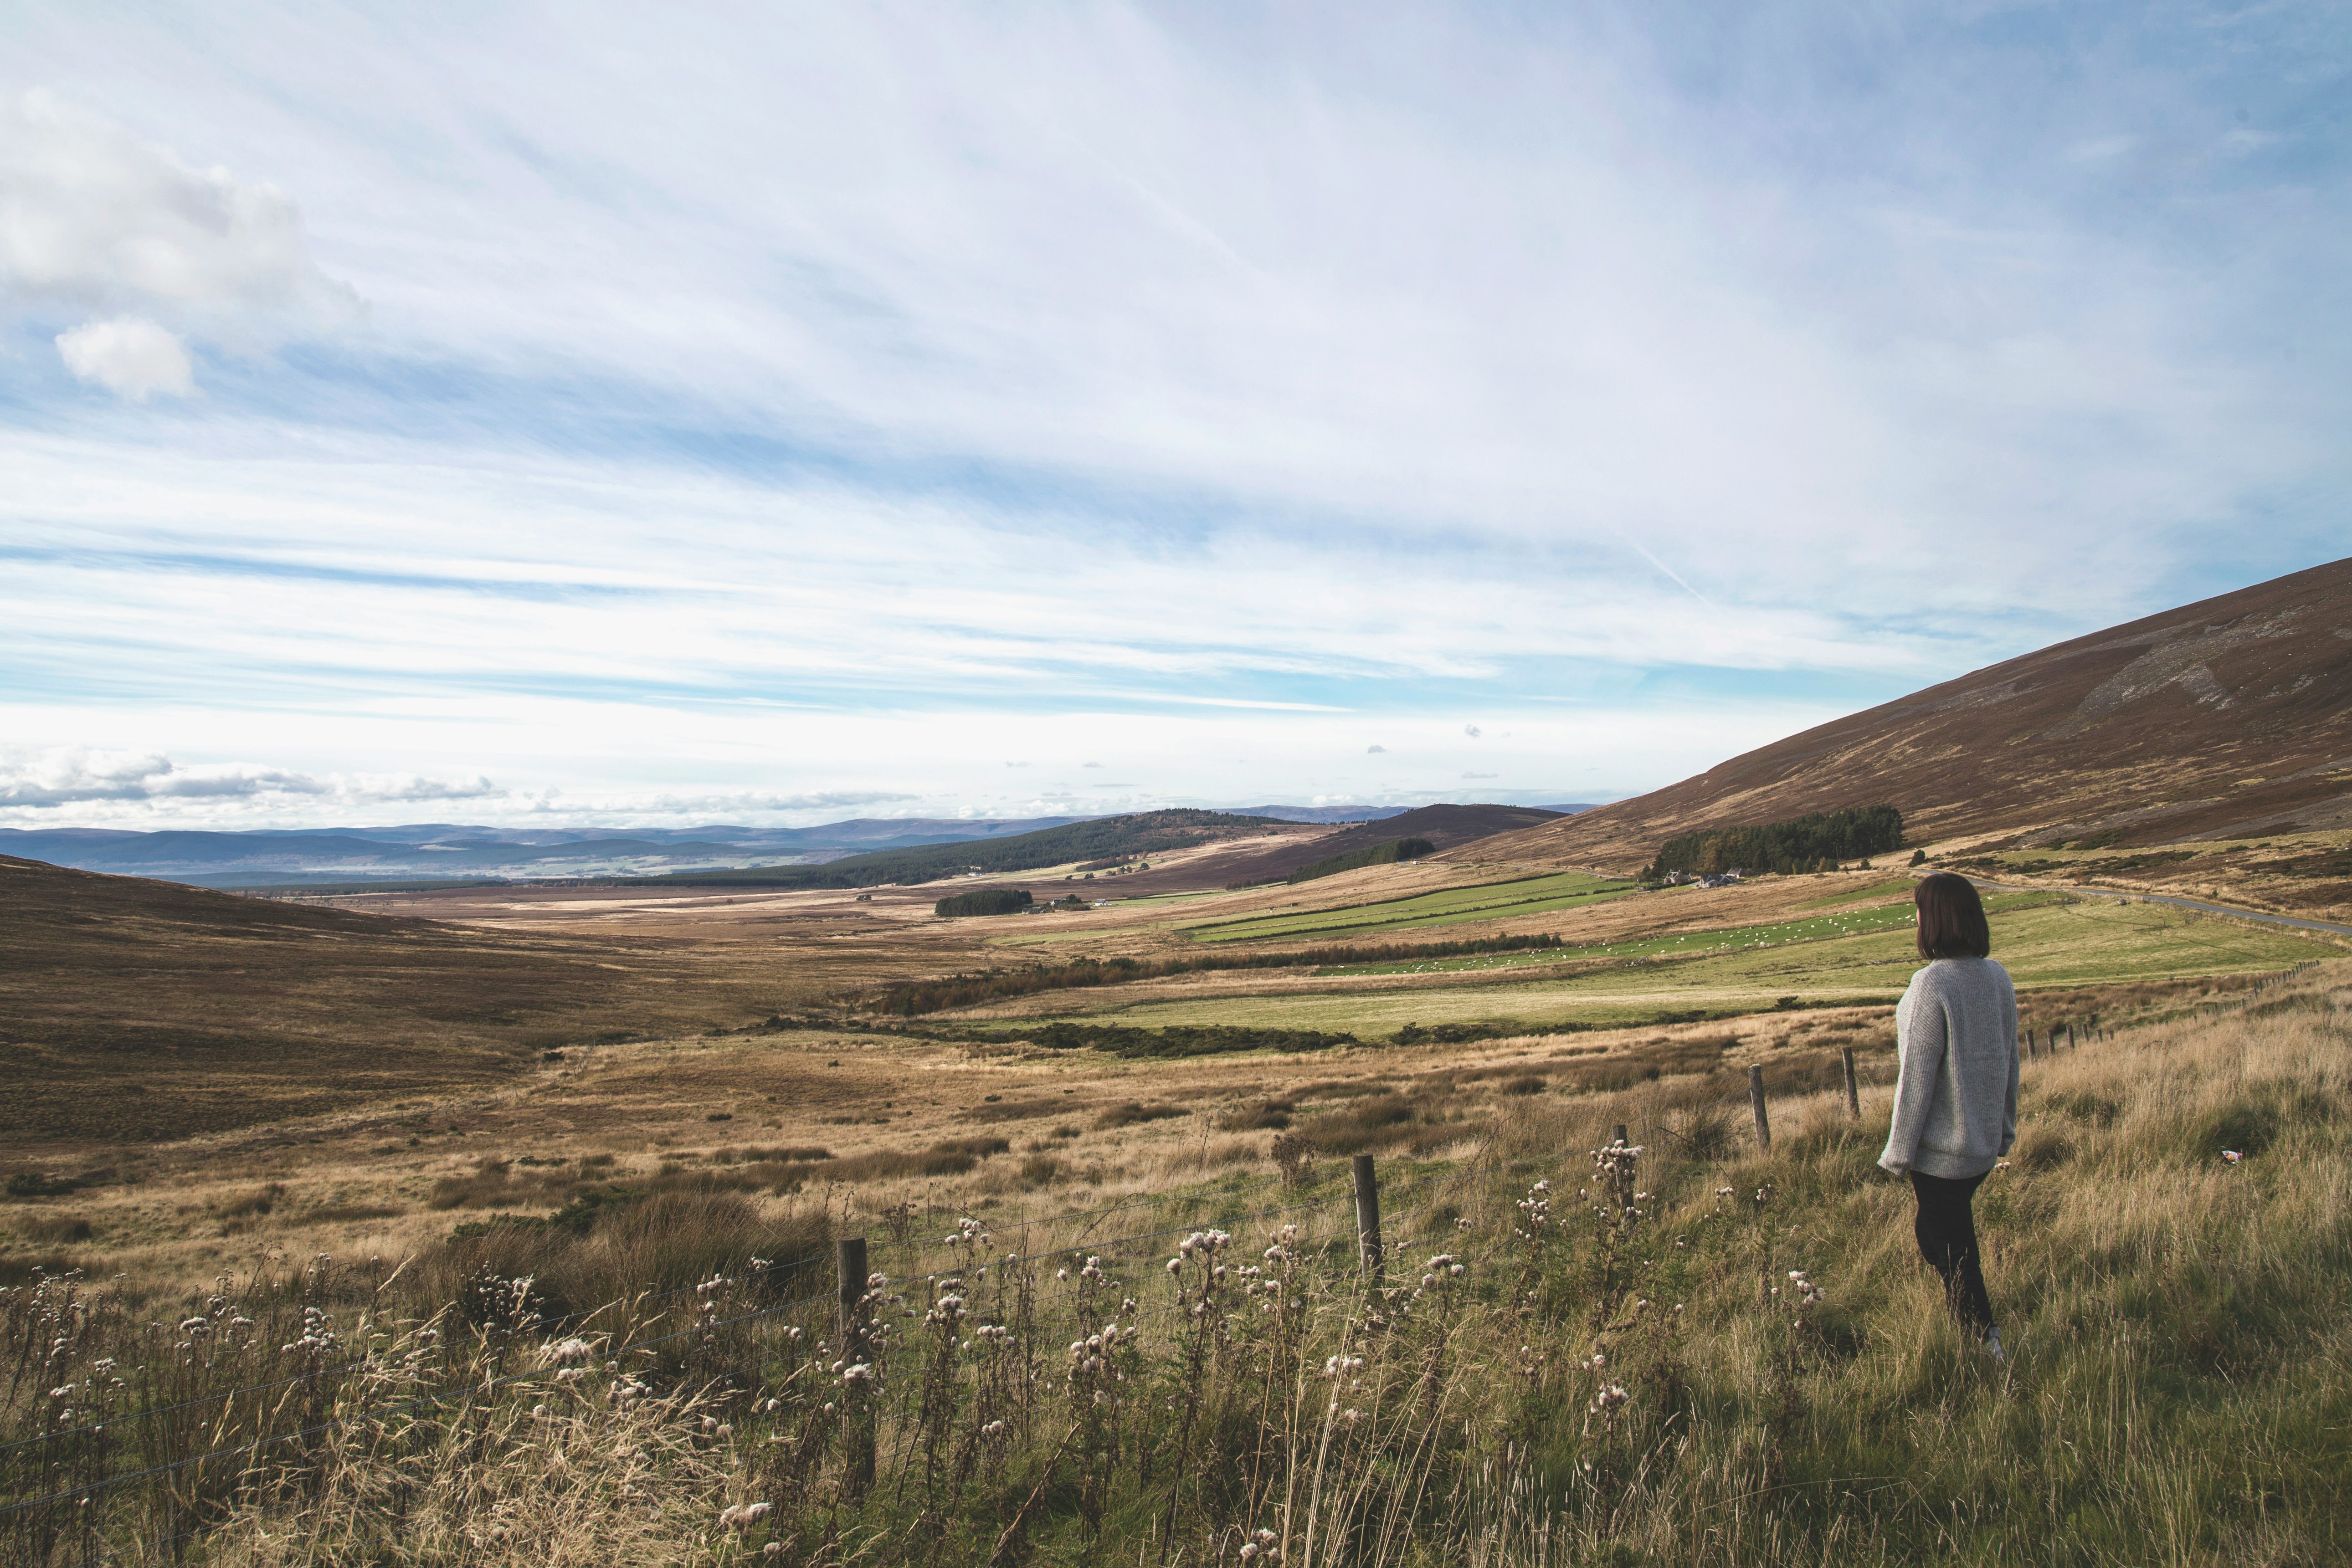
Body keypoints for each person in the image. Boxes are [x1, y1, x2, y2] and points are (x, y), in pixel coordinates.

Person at [1878, 872, 2019, 1364]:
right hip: (1980, 1147)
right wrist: (2003, 1129)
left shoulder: (1930, 983)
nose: (1914, 920)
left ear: (1933, 919)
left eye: (1918, 911)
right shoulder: (1996, 976)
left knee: (1949, 1249)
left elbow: (1914, 1078)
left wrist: (1898, 1153)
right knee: (1947, 1238)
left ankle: (1984, 1341)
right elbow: (2008, 1058)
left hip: (1940, 1154)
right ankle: (1975, 1332)